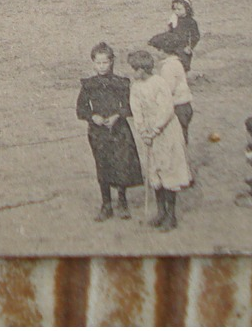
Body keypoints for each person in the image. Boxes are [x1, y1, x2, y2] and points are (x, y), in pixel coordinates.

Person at [76, 42, 142, 221]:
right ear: (93, 63)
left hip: (119, 130)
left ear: (112, 62)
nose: (101, 66)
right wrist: (93, 117)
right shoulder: (89, 85)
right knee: (102, 165)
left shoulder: (121, 83)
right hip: (98, 132)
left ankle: (122, 201)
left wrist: (117, 116)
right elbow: (80, 109)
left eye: (105, 63)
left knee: (121, 164)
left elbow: (129, 106)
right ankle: (106, 204)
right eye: (98, 63)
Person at [127, 49, 190, 230]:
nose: (133, 72)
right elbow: (136, 110)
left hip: (166, 131)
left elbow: (167, 109)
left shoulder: (159, 83)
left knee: (168, 169)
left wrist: (155, 129)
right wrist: (143, 131)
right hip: (150, 134)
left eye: (135, 68)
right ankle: (160, 211)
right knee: (155, 171)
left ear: (143, 68)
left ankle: (171, 215)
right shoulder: (136, 87)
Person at [147, 31, 193, 144]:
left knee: (176, 140)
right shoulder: (177, 62)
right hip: (185, 105)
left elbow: (167, 90)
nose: (155, 53)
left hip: (177, 108)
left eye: (156, 50)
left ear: (163, 51)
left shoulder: (168, 67)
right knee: (182, 139)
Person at [166, 0, 200, 72]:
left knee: (183, 67)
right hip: (174, 48)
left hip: (184, 49)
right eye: (174, 9)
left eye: (179, 9)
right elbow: (169, 33)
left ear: (187, 9)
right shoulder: (174, 20)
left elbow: (196, 36)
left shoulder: (191, 22)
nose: (176, 12)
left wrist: (190, 46)